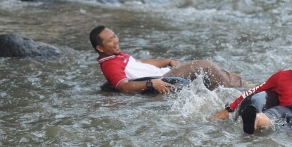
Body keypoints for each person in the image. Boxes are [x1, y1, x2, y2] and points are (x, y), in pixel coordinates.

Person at [90, 26, 244, 92]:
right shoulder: (110, 65)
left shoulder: (116, 55)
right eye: (110, 40)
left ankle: (245, 88)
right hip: (163, 78)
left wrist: (167, 60)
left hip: (166, 71)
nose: (116, 40)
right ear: (100, 48)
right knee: (205, 65)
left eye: (114, 36)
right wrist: (151, 83)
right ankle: (228, 97)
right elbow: (123, 86)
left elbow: (140, 63)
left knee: (222, 72)